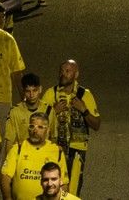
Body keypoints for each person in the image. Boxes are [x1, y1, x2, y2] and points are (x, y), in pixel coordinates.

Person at [38, 61, 99, 196]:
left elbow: (96, 125)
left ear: (76, 74)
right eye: (61, 71)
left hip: (77, 151)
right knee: (51, 188)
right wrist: (54, 111)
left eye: (67, 71)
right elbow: (39, 123)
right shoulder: (50, 93)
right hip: (55, 148)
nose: (63, 74)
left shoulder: (85, 95)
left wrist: (84, 110)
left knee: (72, 191)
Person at [0, 113, 66, 200]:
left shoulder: (56, 151)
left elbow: (63, 183)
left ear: (48, 130)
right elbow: (5, 177)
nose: (35, 130)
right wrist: (7, 198)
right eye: (32, 126)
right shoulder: (18, 148)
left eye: (40, 127)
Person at [1, 75, 44, 148]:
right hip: (23, 156)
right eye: (28, 91)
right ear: (23, 91)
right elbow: (9, 142)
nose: (31, 95)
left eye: (34, 90)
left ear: (40, 89)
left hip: (44, 156)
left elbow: (53, 139)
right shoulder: (15, 112)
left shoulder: (48, 110)